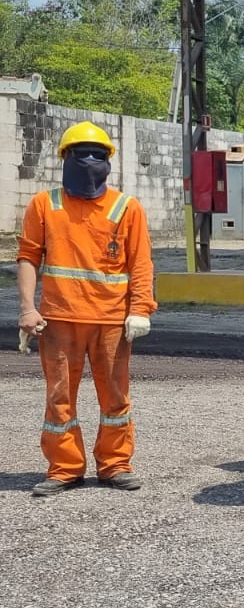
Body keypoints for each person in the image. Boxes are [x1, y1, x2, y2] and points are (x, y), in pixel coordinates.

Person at [18, 121, 156, 497]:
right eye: (81, 155)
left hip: (111, 321)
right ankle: (64, 468)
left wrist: (141, 309)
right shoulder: (44, 205)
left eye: (98, 155)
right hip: (59, 320)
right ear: (65, 158)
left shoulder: (127, 207)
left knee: (115, 397)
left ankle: (115, 465)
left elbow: (141, 263)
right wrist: (27, 309)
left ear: (109, 161)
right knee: (59, 397)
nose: (90, 161)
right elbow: (28, 257)